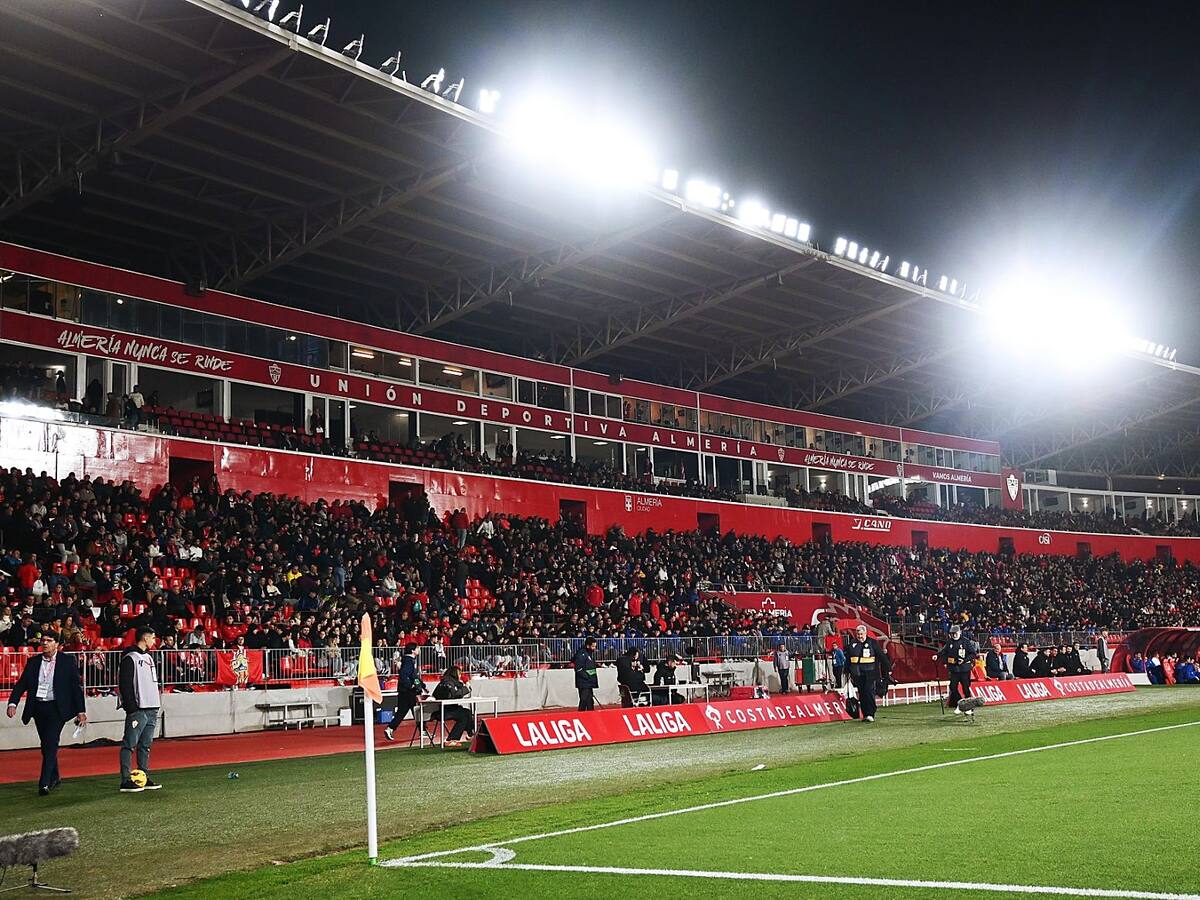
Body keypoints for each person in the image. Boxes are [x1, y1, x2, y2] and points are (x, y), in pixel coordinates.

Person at [6, 634, 87, 796]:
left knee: (50, 742)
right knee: (46, 745)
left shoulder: (67, 661)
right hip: (38, 707)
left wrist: (81, 711)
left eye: (49, 641)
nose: (45, 643)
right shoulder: (33, 662)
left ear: (57, 644)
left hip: (57, 708)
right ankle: (55, 776)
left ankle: (44, 782)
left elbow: (75, 687)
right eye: (43, 641)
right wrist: (12, 703)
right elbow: (22, 684)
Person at [118, 626, 162, 792]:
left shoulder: (148, 657)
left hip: (151, 708)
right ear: (145, 637)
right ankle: (125, 779)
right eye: (152, 637)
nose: (154, 641)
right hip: (139, 709)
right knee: (129, 744)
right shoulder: (130, 658)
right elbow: (125, 685)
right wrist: (132, 708)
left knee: (145, 745)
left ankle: (142, 775)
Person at [383, 643, 425, 742]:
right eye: (417, 648)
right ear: (412, 650)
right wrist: (411, 686)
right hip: (408, 692)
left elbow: (413, 676)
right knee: (416, 711)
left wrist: (421, 685)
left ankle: (390, 728)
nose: (419, 650)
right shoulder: (409, 661)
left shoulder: (408, 660)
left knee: (404, 711)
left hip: (405, 691)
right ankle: (422, 731)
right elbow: (405, 675)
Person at [845, 624, 886, 722]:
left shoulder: (872, 643)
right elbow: (848, 659)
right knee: (862, 693)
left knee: (869, 692)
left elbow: (881, 656)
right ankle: (865, 714)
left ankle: (870, 713)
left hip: (870, 672)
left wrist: (888, 669)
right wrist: (847, 670)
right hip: (858, 674)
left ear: (865, 633)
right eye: (858, 634)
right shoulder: (852, 644)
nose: (860, 636)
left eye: (861, 634)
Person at [935, 625, 977, 715]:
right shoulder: (949, 642)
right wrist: (937, 655)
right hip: (954, 669)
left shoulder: (965, 641)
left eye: (955, 633)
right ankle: (961, 704)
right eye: (952, 634)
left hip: (964, 669)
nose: (954, 635)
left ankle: (969, 707)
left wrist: (964, 660)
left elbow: (973, 654)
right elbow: (944, 651)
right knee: (953, 687)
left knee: (966, 688)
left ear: (959, 633)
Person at [431, 665, 474, 747]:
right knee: (464, 715)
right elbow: (455, 694)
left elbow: (458, 692)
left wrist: (466, 684)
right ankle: (452, 739)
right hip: (442, 710)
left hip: (449, 708)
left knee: (467, 712)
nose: (460, 676)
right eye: (459, 674)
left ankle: (470, 734)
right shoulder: (447, 682)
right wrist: (466, 688)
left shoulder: (450, 681)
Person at [573, 637, 599, 712]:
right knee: (584, 700)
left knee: (590, 701)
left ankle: (591, 715)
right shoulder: (581, 654)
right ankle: (580, 715)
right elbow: (578, 668)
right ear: (588, 646)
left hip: (589, 682)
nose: (594, 648)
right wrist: (587, 677)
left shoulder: (590, 654)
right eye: (593, 646)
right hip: (584, 682)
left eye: (595, 646)